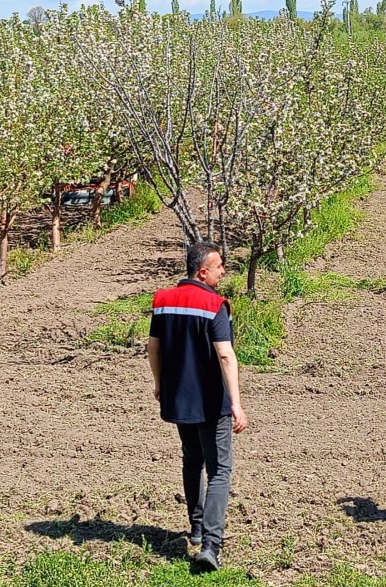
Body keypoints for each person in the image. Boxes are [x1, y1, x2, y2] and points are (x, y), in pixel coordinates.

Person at [146, 242, 249, 572]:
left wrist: (160, 382)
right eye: (219, 266)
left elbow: (153, 348)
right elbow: (225, 355)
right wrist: (236, 402)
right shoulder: (215, 304)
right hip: (210, 402)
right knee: (219, 469)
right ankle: (211, 546)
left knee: (192, 461)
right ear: (201, 271)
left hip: (179, 399)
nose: (223, 271)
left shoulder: (162, 302)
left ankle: (196, 529)